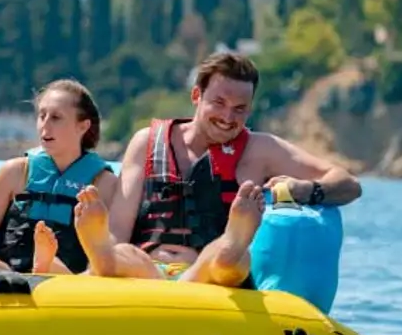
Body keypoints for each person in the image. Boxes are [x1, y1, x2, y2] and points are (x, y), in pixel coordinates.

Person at [88, 49, 361, 284]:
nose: (228, 117)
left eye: (239, 108)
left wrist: (305, 190)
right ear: (197, 95)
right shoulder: (146, 142)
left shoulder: (261, 150)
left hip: (212, 277)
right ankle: (100, 253)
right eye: (219, 103)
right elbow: (119, 229)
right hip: (147, 271)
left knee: (225, 257)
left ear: (250, 109)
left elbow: (348, 184)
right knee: (125, 254)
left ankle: (233, 240)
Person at [0, 79, 118, 274]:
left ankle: (45, 264)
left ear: (83, 126)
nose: (45, 125)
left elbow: (107, 249)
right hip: (10, 275)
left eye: (56, 118)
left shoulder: (103, 183)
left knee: (55, 267)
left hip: (70, 280)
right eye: (42, 116)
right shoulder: (15, 173)